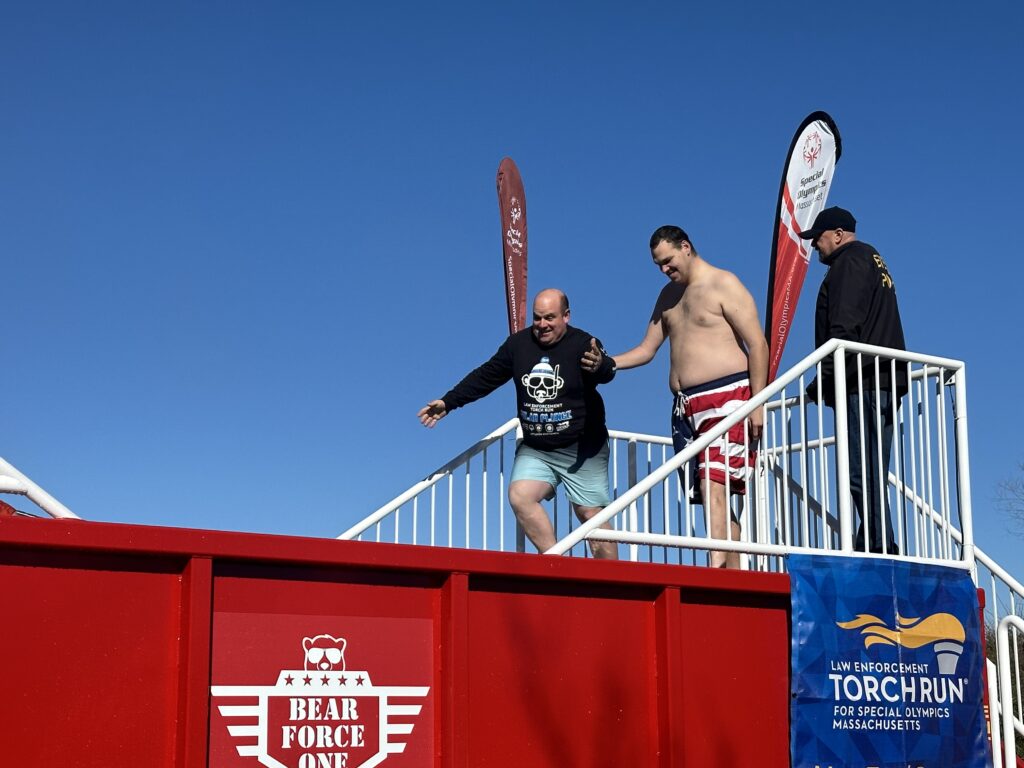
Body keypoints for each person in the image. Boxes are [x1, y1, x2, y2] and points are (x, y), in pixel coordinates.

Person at [604, 226, 768, 569]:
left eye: (668, 260)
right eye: (658, 265)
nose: (664, 269)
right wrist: (606, 364)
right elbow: (647, 350)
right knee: (710, 497)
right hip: (685, 408)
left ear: (686, 247)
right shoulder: (667, 297)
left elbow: (757, 344)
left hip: (729, 397)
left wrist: (758, 404)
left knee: (714, 485)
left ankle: (713, 573)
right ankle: (733, 584)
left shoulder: (724, 283)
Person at [419, 289, 618, 559]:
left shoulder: (584, 343)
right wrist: (449, 402)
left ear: (566, 316)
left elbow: (605, 371)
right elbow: (486, 376)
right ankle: (557, 567)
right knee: (520, 495)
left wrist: (601, 366)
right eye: (537, 318)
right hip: (537, 447)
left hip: (582, 448)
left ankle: (612, 586)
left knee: (589, 514)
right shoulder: (518, 346)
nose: (542, 325)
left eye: (550, 317)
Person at [799, 206, 906, 555]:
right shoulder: (871, 259)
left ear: (838, 234)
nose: (815, 244)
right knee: (871, 469)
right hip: (881, 379)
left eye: (819, 237)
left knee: (862, 470)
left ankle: (878, 545)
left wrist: (824, 377)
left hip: (863, 381)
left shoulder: (849, 262)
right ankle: (874, 538)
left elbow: (844, 327)